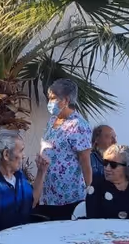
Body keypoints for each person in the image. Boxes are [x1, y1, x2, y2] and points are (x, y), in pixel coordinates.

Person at [38, 78, 93, 220]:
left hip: (68, 196)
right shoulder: (53, 120)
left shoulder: (78, 125)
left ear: (66, 100)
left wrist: (90, 191)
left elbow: (85, 160)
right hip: (48, 192)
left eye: (53, 98)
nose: (50, 102)